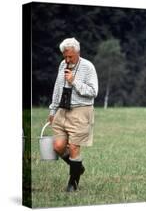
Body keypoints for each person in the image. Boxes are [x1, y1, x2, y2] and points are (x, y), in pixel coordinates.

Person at [48, 37, 98, 192]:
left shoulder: (88, 67)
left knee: (75, 148)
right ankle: (78, 167)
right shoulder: (62, 65)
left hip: (81, 111)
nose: (67, 59)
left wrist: (74, 81)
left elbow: (93, 92)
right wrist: (52, 109)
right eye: (65, 56)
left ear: (78, 52)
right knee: (57, 146)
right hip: (62, 110)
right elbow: (58, 87)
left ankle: (72, 184)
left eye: (70, 56)